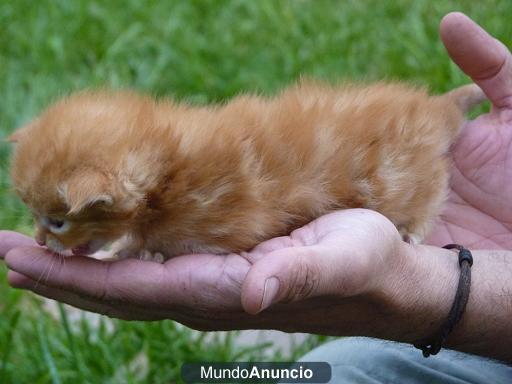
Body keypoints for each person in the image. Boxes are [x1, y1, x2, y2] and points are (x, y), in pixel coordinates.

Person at [1, 12, 511, 383]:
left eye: (57, 221)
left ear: (106, 196)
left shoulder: (189, 199)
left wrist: (442, 287)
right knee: (324, 374)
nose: (42, 237)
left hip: (414, 181)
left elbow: (244, 225)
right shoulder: (171, 175)